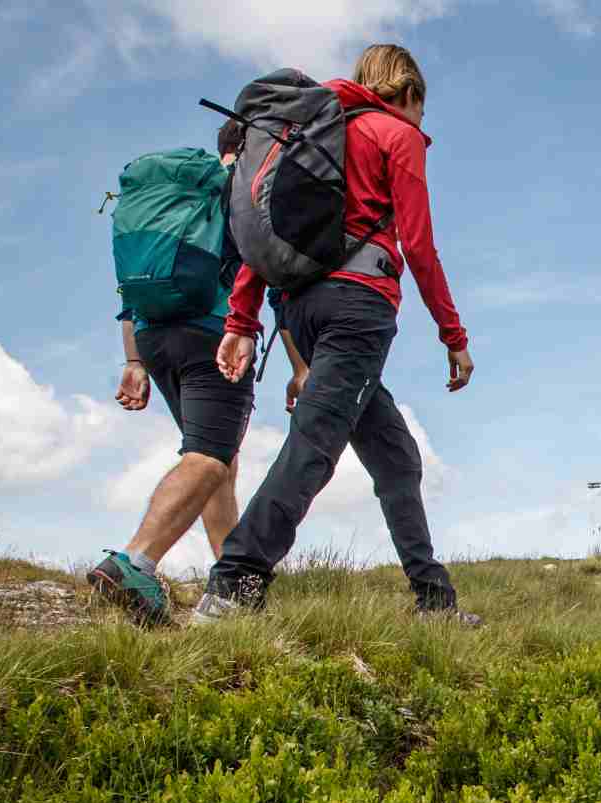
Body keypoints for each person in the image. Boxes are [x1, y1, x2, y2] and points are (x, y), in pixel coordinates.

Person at [199, 42, 477, 626]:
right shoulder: (393, 134)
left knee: (396, 458)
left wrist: (242, 320)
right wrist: (453, 334)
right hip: (359, 309)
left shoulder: (310, 138)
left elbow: (266, 235)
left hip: (301, 307)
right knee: (315, 446)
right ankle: (235, 583)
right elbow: (419, 245)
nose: (421, 121)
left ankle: (433, 600)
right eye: (421, 110)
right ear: (408, 93)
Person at [87, 119, 254, 627]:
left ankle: (232, 586)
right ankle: (133, 562)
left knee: (217, 459)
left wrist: (135, 362)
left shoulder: (175, 200)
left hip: (156, 339)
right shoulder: (237, 194)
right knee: (207, 456)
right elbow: (262, 271)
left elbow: (127, 297)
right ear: (250, 147)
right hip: (211, 333)